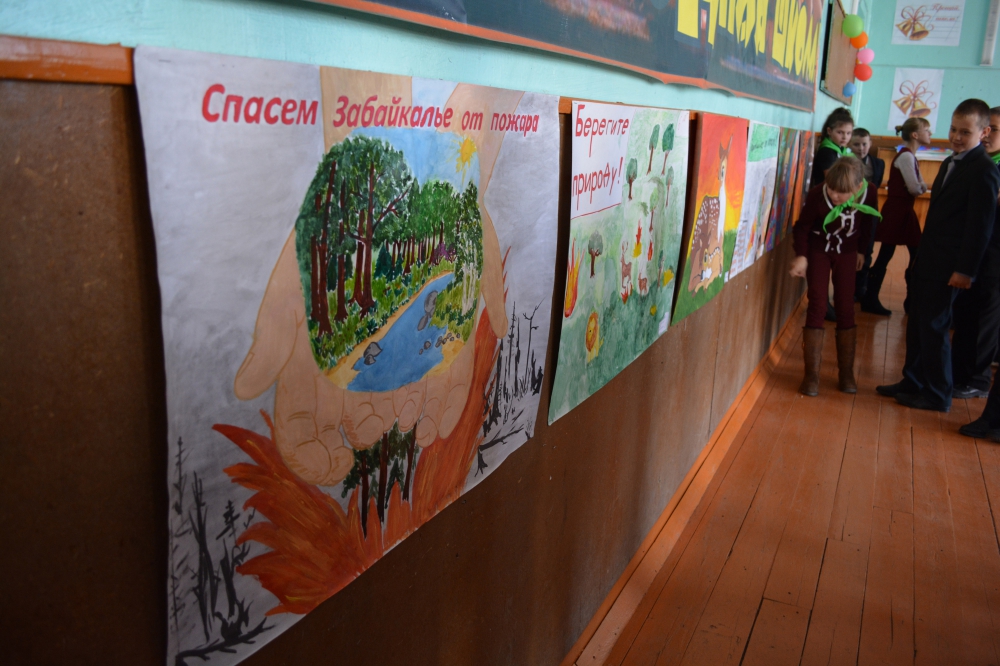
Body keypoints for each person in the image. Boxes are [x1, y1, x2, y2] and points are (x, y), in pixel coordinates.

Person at [877, 99, 1000, 413]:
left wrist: (965, 270)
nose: (956, 137)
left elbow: (980, 227)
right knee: (917, 322)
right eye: (953, 129)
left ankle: (937, 394)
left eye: (965, 132)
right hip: (929, 259)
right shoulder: (950, 162)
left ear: (984, 132)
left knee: (934, 326)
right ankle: (912, 381)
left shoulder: (984, 170)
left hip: (951, 266)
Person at [791, 156, 879, 396]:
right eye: (831, 189)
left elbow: (869, 224)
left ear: (858, 187)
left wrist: (863, 251)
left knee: (845, 305)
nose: (834, 196)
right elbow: (802, 227)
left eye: (841, 192)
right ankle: (811, 375)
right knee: (818, 303)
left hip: (848, 252)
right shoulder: (818, 193)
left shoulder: (869, 192)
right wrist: (802, 255)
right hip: (819, 249)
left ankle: (846, 372)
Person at [860, 117, 931, 316]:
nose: (930, 134)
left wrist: (921, 186)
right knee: (889, 255)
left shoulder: (910, 156)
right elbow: (916, 188)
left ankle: (909, 300)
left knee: (910, 254)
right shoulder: (906, 157)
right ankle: (872, 297)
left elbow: (918, 185)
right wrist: (922, 187)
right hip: (898, 210)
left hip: (903, 210)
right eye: (927, 130)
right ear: (915, 135)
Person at [952, 107, 1000, 400]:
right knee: (965, 315)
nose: (988, 135)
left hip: (995, 256)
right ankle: (959, 373)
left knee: (986, 319)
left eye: (995, 130)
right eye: (987, 128)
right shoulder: (975, 161)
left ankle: (978, 379)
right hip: (971, 254)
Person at [812, 107, 854, 321]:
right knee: (822, 260)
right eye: (840, 132)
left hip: (835, 209)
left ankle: (827, 303)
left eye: (848, 133)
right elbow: (835, 181)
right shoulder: (827, 152)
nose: (845, 137)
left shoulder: (842, 151)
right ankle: (822, 306)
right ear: (829, 131)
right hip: (824, 209)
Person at [850, 128, 886, 302]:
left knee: (867, 248)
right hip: (851, 209)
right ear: (850, 145)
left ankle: (860, 289)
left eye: (864, 144)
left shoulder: (878, 163)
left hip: (869, 209)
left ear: (870, 144)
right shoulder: (846, 162)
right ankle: (849, 288)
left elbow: (876, 184)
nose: (861, 148)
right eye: (856, 144)